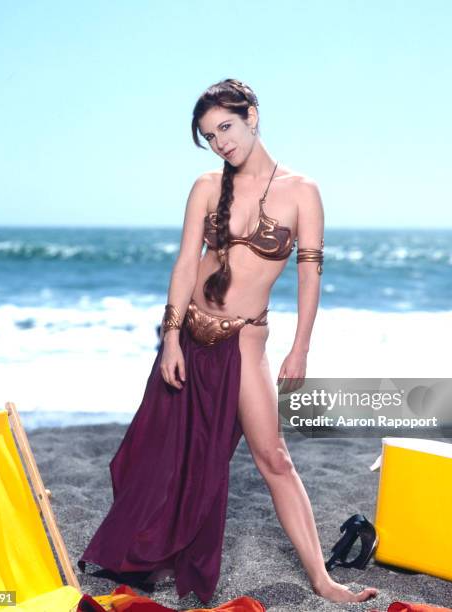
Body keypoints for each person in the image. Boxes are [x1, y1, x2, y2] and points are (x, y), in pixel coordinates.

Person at [78, 78, 378, 605]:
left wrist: (301, 346)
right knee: (164, 455)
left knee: (274, 458)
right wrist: (169, 338)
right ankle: (156, 556)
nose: (220, 142)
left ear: (252, 116)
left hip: (245, 342)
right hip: (189, 335)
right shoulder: (205, 186)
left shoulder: (302, 191)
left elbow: (311, 276)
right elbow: (184, 264)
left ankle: (323, 581)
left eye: (225, 127)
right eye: (209, 136)